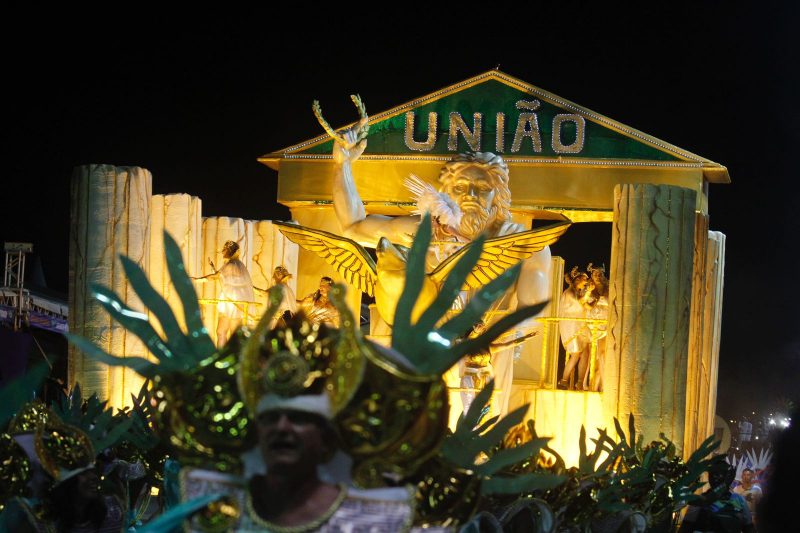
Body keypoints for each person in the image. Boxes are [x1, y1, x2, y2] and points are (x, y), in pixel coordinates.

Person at [194, 240, 256, 346]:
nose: (222, 252)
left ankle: (230, 356)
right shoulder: (237, 265)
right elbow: (223, 277)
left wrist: (197, 280)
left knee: (228, 333)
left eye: (225, 250)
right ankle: (223, 355)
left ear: (229, 251)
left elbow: (216, 277)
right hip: (231, 302)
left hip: (233, 303)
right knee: (222, 331)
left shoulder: (232, 264)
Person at [679, 457, 755, 533]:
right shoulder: (699, 501)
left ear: (727, 476)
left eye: (719, 474)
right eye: (712, 474)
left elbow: (749, 528)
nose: (715, 478)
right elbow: (685, 528)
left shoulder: (739, 500)